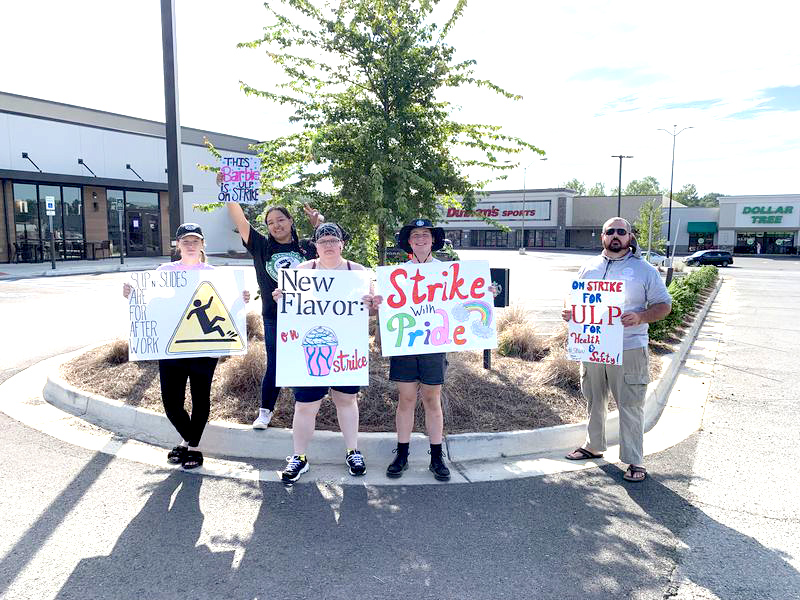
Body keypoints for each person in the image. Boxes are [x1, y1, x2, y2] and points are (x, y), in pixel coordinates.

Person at [122, 223, 251, 469]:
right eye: (186, 241)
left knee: (200, 398)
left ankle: (192, 447)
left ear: (202, 244)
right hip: (171, 348)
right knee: (171, 404)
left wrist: (240, 299)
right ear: (178, 245)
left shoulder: (214, 273)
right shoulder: (164, 271)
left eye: (195, 241)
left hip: (203, 347)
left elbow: (227, 310)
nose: (190, 245)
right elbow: (151, 303)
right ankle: (188, 439)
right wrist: (132, 294)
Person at [561, 217, 671, 482]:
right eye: (610, 232)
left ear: (630, 236)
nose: (616, 236)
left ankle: (635, 460)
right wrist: (570, 310)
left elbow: (664, 305)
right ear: (602, 237)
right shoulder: (589, 266)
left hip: (629, 347)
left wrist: (642, 317)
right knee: (594, 397)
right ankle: (594, 445)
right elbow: (574, 294)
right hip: (594, 346)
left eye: (621, 232)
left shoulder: (645, 270)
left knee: (630, 403)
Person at [272, 223, 376, 483]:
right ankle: (299, 457)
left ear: (342, 243)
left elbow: (371, 311)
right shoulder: (303, 271)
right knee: (305, 405)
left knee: (347, 401)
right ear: (315, 246)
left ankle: (353, 451)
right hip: (310, 347)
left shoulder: (357, 271)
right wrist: (281, 297)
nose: (329, 245)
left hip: (345, 349)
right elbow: (290, 306)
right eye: (323, 241)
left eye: (333, 240)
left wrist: (372, 304)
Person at [220, 172, 324, 429]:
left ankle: (306, 412)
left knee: (307, 359)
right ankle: (265, 412)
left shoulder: (308, 248)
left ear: (290, 221)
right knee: (276, 364)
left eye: (281, 219)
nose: (276, 225)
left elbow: (334, 245)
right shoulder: (261, 247)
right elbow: (240, 219)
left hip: (308, 315)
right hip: (274, 316)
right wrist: (227, 190)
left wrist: (319, 225)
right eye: (271, 222)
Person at [379, 218, 453, 481]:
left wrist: (484, 293)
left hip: (434, 344)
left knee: (432, 400)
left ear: (433, 240)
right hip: (405, 343)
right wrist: (379, 301)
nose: (420, 238)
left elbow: (465, 299)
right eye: (415, 235)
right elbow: (386, 306)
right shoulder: (397, 274)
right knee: (406, 400)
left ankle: (436, 457)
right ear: (408, 242)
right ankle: (402, 454)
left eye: (425, 234)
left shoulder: (449, 272)